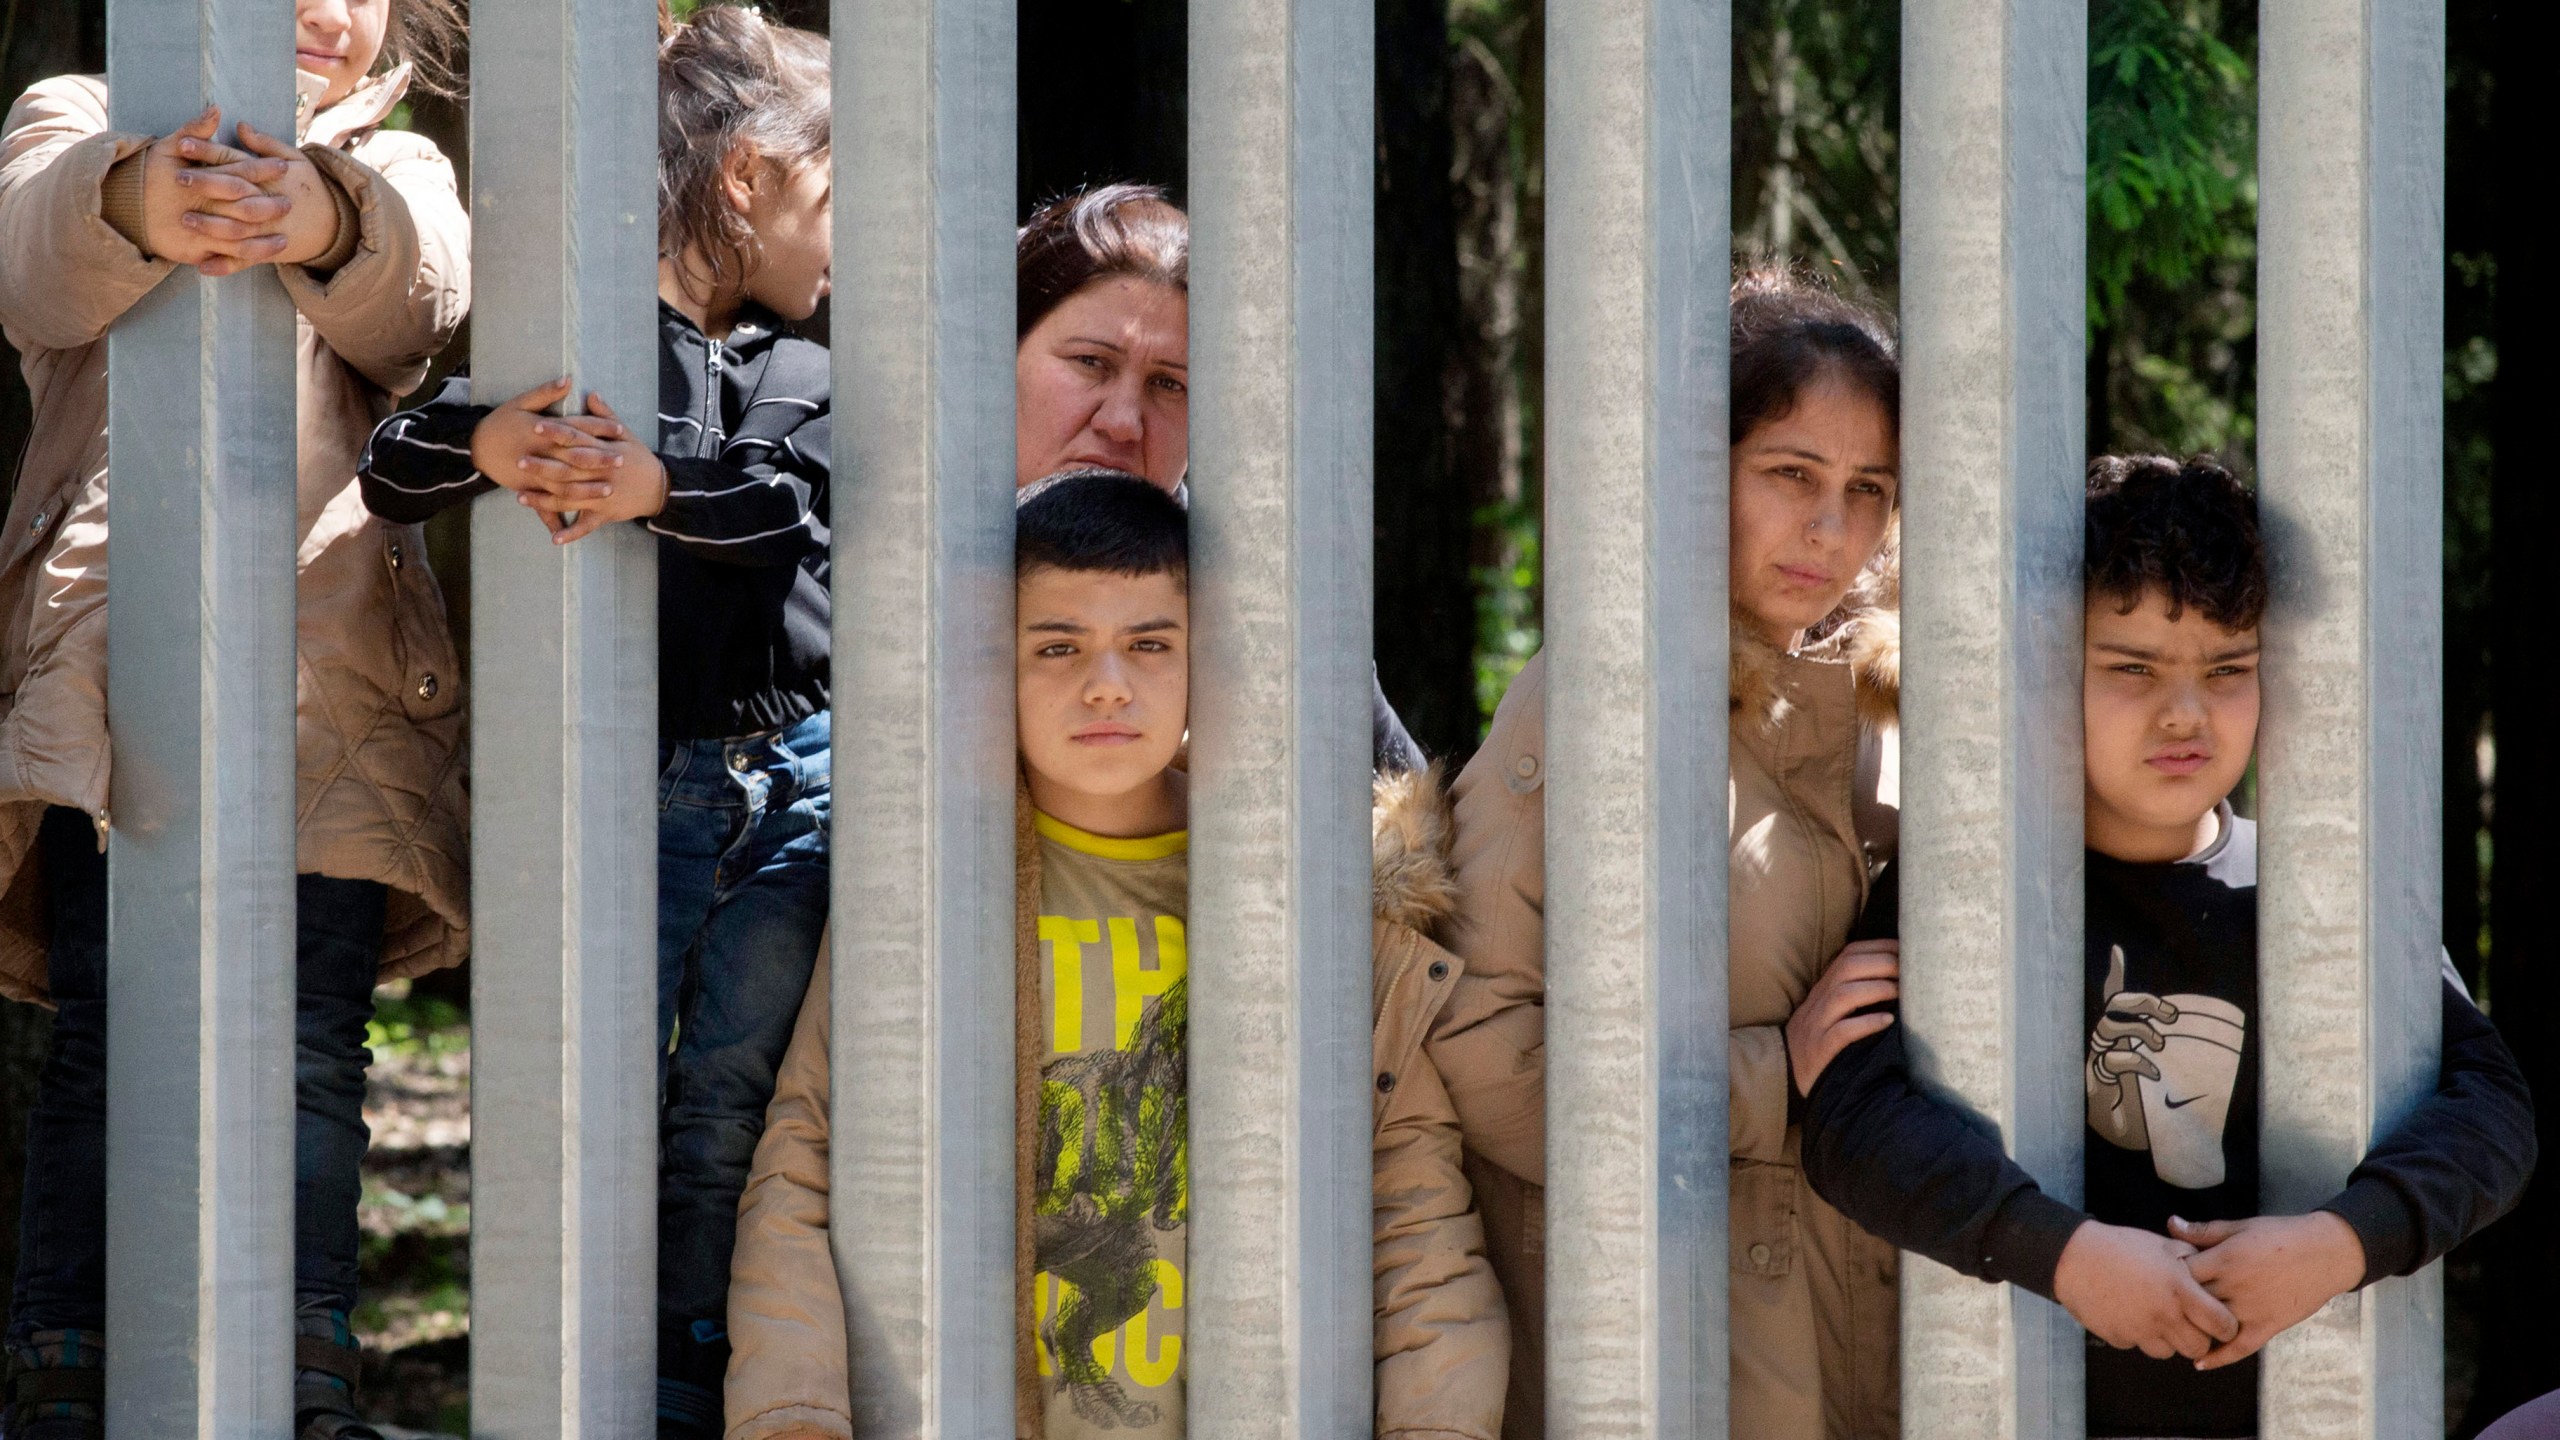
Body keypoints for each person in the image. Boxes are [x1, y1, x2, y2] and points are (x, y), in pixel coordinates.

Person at [721, 470, 1508, 1440]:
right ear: (992, 664)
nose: (1106, 682)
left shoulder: (1319, 901)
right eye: (1057, 645)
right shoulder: (924, 887)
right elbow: (806, 1154)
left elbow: (1413, 1203)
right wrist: (791, 1411)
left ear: (1203, 663)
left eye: (1149, 644)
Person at [1796, 455, 2537, 1438]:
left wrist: (2337, 1242)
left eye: (2228, 669)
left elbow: (2493, 1111)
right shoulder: (1969, 891)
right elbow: (1852, 1124)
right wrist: (2064, 1255)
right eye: (2131, 667)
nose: (2183, 714)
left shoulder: (2322, 893)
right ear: (2049, 669)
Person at [353, 8, 833, 1436]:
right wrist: (498, 439)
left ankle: (692, 1378)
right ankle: (588, 1374)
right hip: (636, 791)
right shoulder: (575, 349)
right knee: (600, 1095)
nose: (842, 242)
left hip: (788, 785)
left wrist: (654, 495)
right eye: (835, 196)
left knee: (729, 1107)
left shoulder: (795, 371)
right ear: (749, 178)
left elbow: (783, 514)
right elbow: (399, 459)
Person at [0, 1, 469, 1434]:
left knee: (314, 1036)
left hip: (329, 681)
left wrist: (323, 211)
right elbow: (33, 271)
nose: (327, 12)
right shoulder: (78, 116)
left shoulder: (399, 164)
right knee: (112, 1026)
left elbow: (424, 304)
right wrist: (142, 195)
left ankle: (296, 1361)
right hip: (113, 680)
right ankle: (67, 1362)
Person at [1436, 265, 1906, 1438]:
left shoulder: (1900, 719)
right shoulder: (1594, 699)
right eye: (1790, 476)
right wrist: (1773, 1073)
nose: (1829, 528)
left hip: (1876, 1351)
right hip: (1661, 1359)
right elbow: (1484, 1058)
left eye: (1867, 490)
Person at [1012, 182, 1427, 776]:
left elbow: (1407, 829)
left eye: (1169, 384)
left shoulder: (1269, 611)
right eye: (1090, 364)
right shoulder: (873, 558)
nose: (1124, 423)